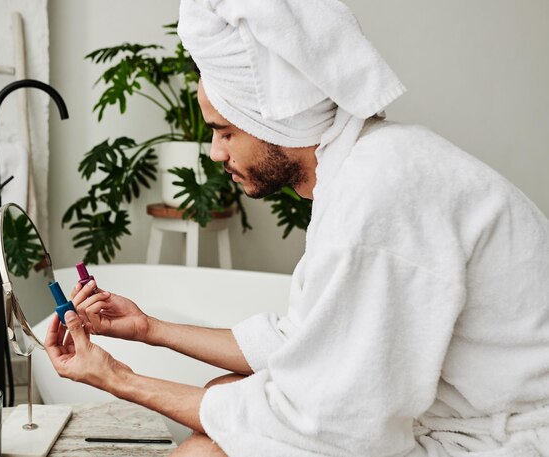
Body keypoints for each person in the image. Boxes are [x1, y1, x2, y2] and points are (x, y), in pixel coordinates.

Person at [45, 1, 549, 456]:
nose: (216, 152)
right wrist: (149, 329)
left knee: (209, 450)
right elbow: (302, 341)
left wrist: (116, 378)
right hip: (464, 415)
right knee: (226, 395)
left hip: (507, 439)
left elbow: (325, 424)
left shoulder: (379, 192)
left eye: (224, 131)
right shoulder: (365, 166)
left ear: (275, 122)